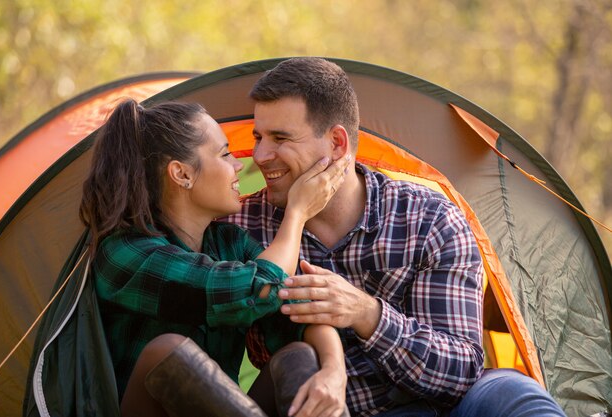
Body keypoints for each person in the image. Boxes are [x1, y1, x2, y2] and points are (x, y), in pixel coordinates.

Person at [224, 57, 568, 417]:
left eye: (280, 138)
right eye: (258, 137)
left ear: (338, 144)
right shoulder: (243, 226)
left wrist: (366, 313)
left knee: (513, 393)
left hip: (433, 408)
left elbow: (461, 372)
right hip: (318, 407)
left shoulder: (428, 218)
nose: (260, 156)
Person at [78, 98, 351, 417]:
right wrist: (297, 213)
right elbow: (260, 286)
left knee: (297, 355)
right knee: (165, 352)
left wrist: (335, 371)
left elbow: (302, 308)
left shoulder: (229, 243)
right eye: (224, 154)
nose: (239, 165)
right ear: (181, 174)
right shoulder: (125, 252)